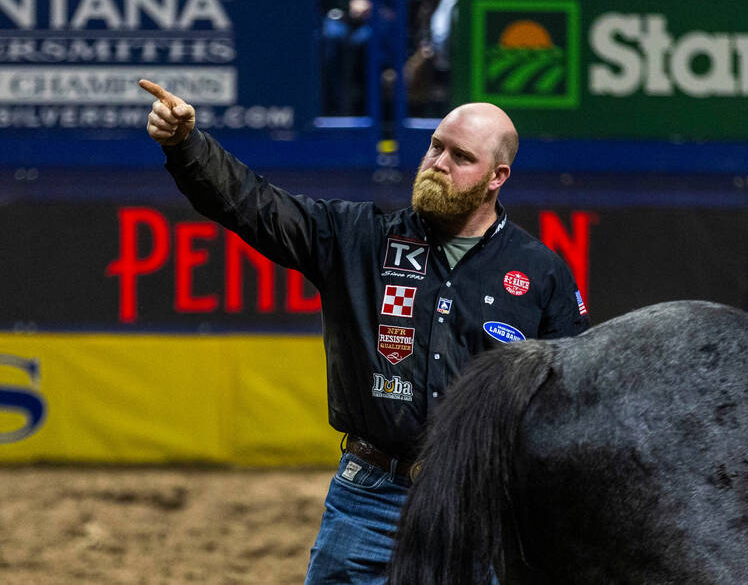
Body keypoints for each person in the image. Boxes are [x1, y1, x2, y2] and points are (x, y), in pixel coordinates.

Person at [139, 78, 591, 584]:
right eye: (435, 147)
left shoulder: (541, 273)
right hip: (368, 500)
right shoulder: (359, 239)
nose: (438, 163)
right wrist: (186, 146)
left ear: (497, 177)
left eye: (460, 157)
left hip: (476, 510)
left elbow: (572, 403)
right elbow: (253, 205)